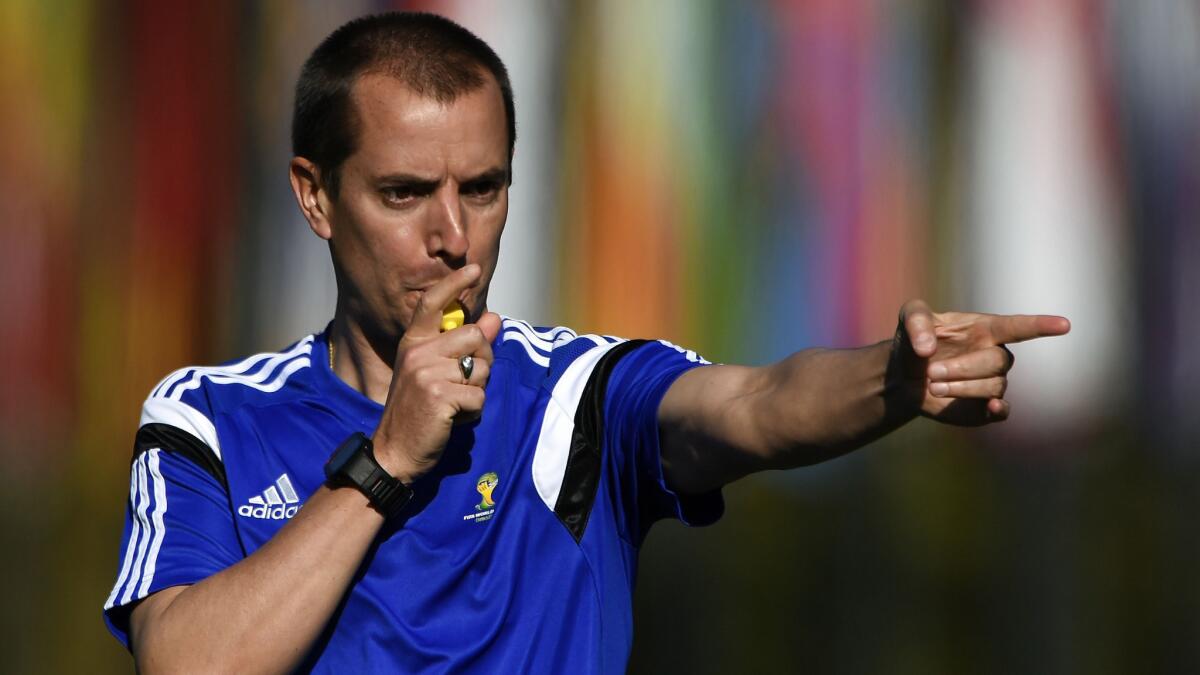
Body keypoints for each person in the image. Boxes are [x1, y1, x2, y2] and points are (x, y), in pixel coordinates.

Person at [102, 11, 1070, 674]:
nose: (453, 236)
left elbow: (756, 406)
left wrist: (892, 378)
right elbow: (190, 660)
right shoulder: (212, 415)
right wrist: (388, 459)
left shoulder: (577, 395)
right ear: (314, 195)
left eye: (483, 188)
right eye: (404, 194)